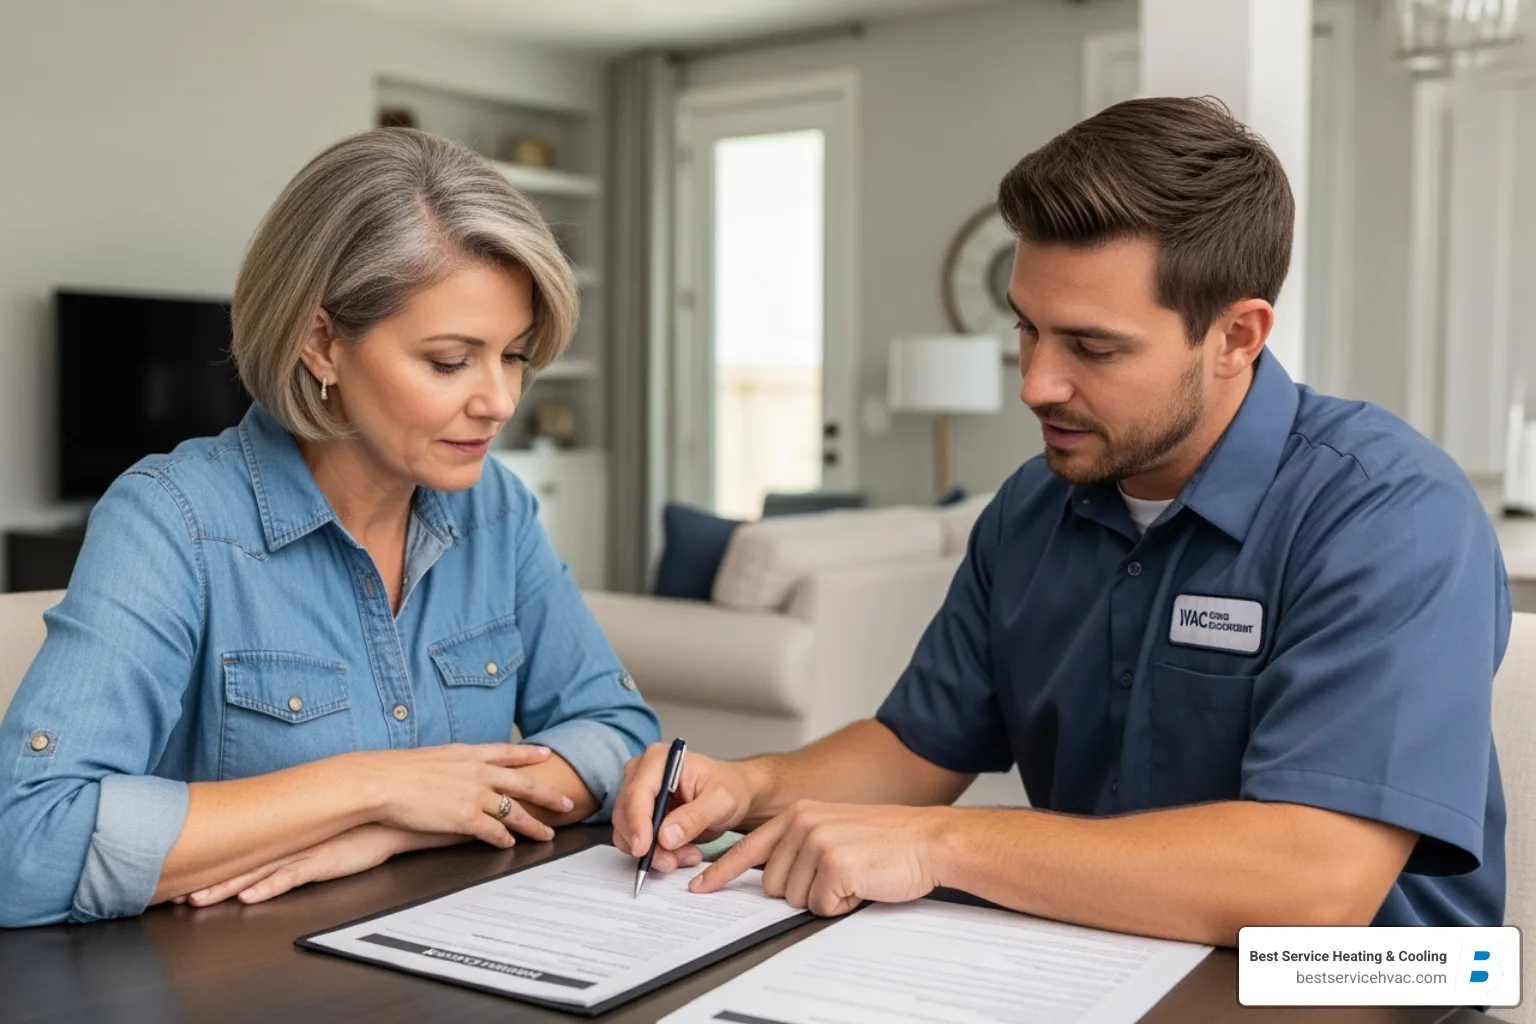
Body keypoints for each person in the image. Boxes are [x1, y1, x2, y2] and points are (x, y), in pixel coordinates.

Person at [613, 97, 1510, 944]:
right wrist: (750, 783)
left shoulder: (1390, 514)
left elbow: (1316, 885)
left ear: (1237, 336)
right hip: (1094, 954)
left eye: (1091, 346)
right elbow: (915, 747)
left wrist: (936, 844)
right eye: (1027, 330)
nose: (1036, 383)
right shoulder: (1032, 508)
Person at [0, 128, 660, 928]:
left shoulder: (497, 510)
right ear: (321, 343)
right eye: (451, 361)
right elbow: (25, 843)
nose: (500, 402)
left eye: (514, 356)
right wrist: (373, 786)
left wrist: (394, 833)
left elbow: (621, 741)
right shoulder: (172, 520)